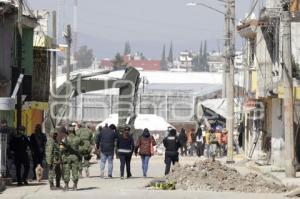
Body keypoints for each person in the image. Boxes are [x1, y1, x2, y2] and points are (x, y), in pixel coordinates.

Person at [60, 126, 81, 191]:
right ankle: (75, 186)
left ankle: (66, 186)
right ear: (74, 131)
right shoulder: (78, 138)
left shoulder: (64, 139)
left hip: (67, 157)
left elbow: (61, 149)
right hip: (75, 157)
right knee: (75, 171)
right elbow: (81, 147)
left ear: (68, 131)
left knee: (66, 171)